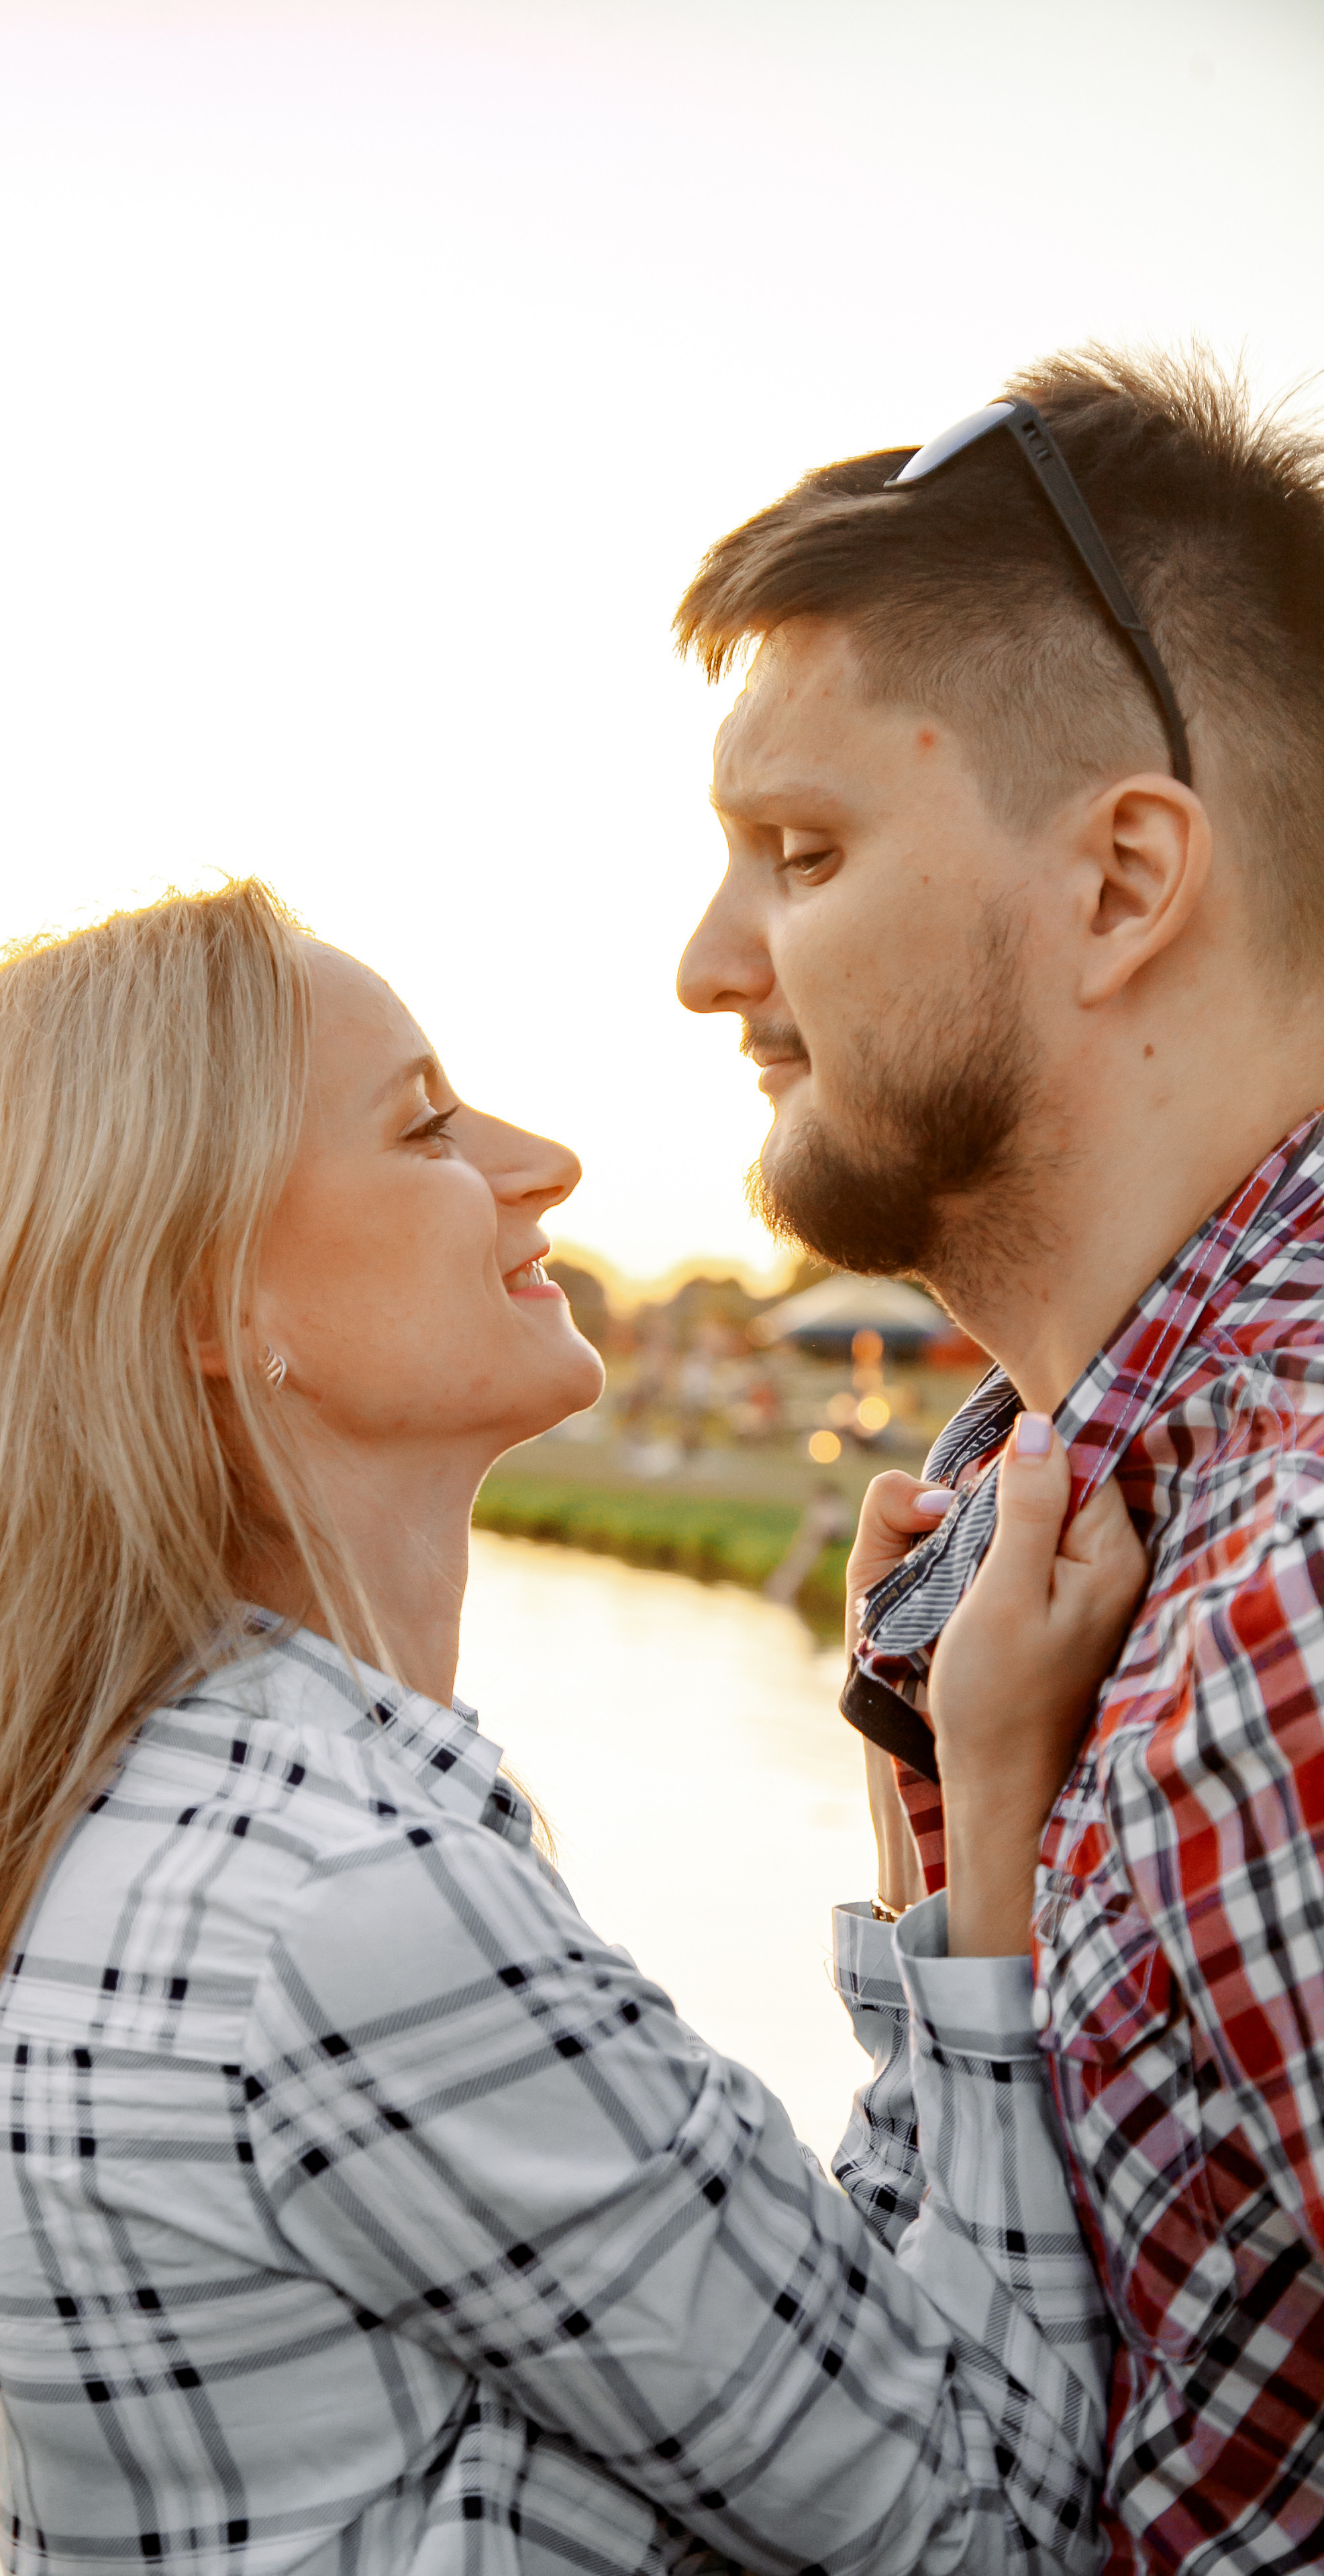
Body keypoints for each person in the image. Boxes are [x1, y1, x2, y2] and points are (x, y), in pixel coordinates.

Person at [0, 883, 1141, 2574]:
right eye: (423, 1126)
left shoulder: (170, 1825)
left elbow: (817, 2381)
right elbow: (989, 2523)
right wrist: (996, 1838)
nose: (544, 1158)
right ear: (203, 1305)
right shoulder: (351, 1905)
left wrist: (917, 1813)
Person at [674, 345, 1324, 2572]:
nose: (704, 966)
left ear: (1124, 880)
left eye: (806, 851)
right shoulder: (1102, 1518)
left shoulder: (1294, 1582)